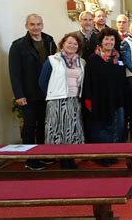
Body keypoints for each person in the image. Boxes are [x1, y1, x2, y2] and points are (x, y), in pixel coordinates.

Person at [9, 14, 57, 171]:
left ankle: (42, 155)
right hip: (28, 93)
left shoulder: (49, 41)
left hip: (47, 92)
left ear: (42, 25)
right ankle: (31, 159)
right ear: (26, 26)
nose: (36, 27)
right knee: (30, 126)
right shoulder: (18, 45)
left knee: (44, 125)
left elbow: (56, 63)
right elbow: (14, 73)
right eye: (32, 24)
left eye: (38, 24)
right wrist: (19, 95)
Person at [38, 33, 85, 169]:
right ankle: (63, 161)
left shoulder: (80, 62)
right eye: (69, 43)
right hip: (58, 101)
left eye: (75, 44)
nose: (72, 46)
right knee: (60, 132)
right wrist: (53, 93)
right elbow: (42, 81)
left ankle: (70, 159)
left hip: (74, 100)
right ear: (62, 44)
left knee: (72, 131)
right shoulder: (53, 60)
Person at [83, 27, 126, 166]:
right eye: (106, 39)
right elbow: (88, 81)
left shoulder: (118, 58)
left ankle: (114, 154)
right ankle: (104, 156)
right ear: (101, 41)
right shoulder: (94, 59)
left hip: (117, 100)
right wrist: (88, 101)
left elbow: (122, 80)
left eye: (112, 39)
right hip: (99, 100)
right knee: (102, 129)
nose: (109, 42)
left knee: (117, 128)